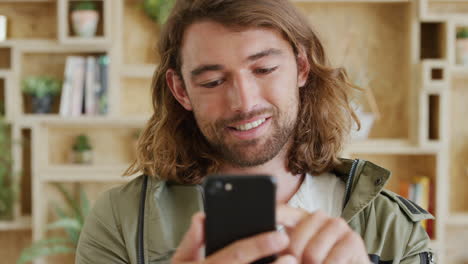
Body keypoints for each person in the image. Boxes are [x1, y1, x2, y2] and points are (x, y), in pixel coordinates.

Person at [75, 0, 434, 263]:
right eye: (213, 81)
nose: (244, 103)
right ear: (181, 90)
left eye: (263, 69)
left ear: (301, 67)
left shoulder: (390, 223)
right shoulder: (121, 220)